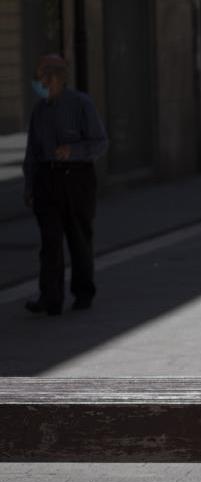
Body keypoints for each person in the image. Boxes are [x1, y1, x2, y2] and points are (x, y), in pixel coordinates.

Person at [22, 54, 107, 316]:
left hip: (77, 178)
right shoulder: (39, 110)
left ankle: (83, 293)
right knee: (50, 241)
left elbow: (100, 143)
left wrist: (74, 151)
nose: (37, 82)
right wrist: (29, 185)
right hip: (47, 180)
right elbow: (32, 152)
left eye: (41, 76)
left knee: (79, 237)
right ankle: (50, 297)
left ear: (55, 77)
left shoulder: (81, 104)